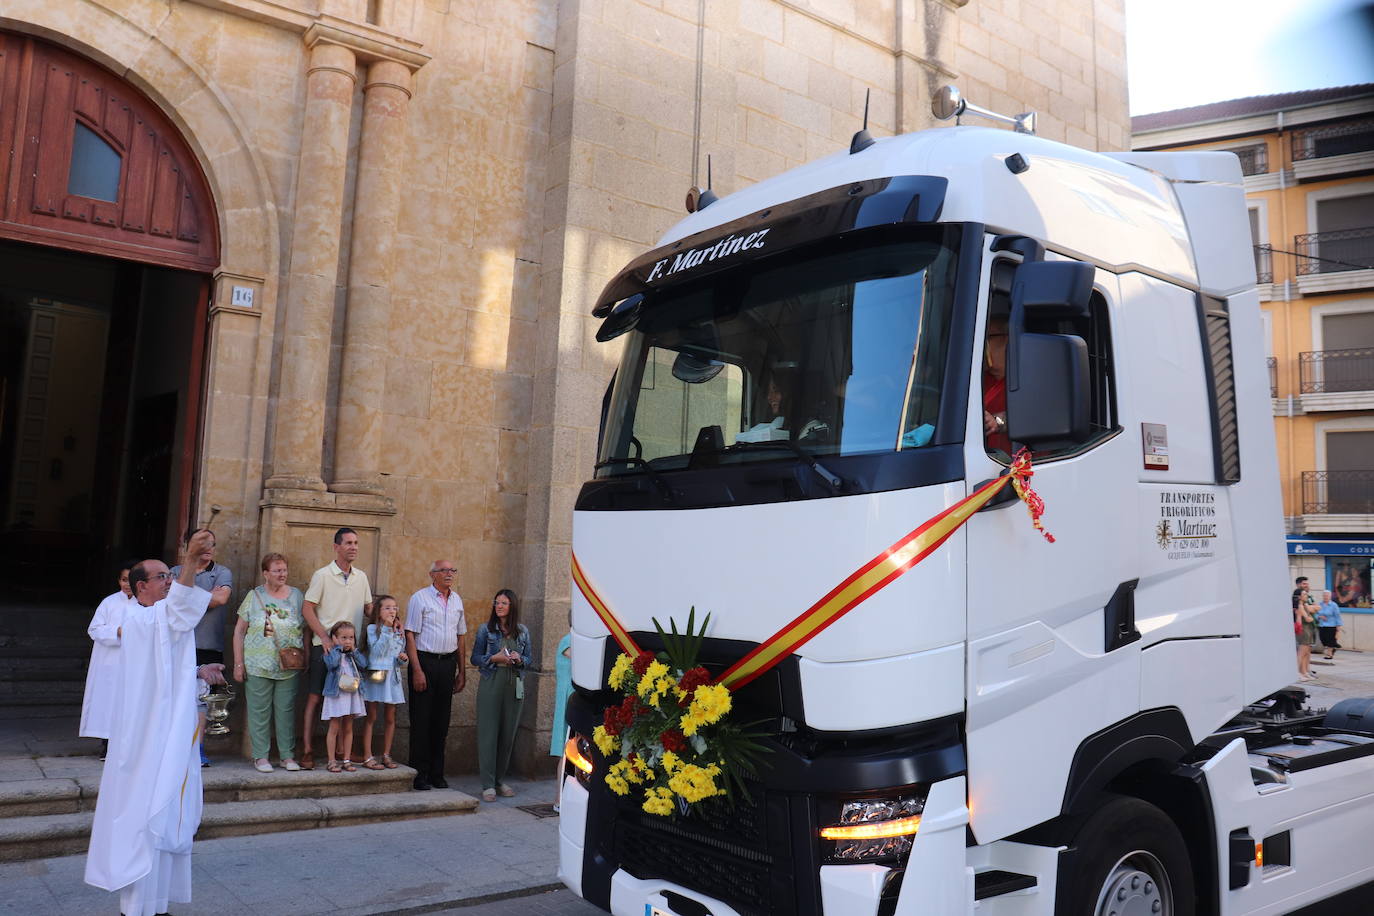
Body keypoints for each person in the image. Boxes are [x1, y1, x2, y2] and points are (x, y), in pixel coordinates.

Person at [84, 530, 223, 916]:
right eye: (163, 576)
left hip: (166, 730)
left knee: (166, 816)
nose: (170, 580)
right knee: (145, 817)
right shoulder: (136, 617)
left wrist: (197, 669)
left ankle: (157, 905)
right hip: (145, 739)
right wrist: (192, 562)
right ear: (141, 586)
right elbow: (178, 613)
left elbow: (166, 662)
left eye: (171, 574)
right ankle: (137, 909)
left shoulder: (159, 620)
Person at [300, 527, 373, 770]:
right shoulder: (322, 575)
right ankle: (308, 750)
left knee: (348, 700)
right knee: (314, 698)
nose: (353, 547)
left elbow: (369, 609)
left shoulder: (361, 577)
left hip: (351, 652)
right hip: (326, 649)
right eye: (348, 543)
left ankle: (344, 752)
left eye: (356, 543)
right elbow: (307, 608)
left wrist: (391, 620)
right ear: (336, 547)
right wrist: (324, 637)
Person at [231, 552, 305, 773]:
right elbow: (239, 631)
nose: (282, 574)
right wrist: (238, 663)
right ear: (265, 573)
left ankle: (287, 756)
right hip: (257, 663)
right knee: (259, 712)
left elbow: (306, 629)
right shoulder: (254, 596)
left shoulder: (297, 596)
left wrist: (306, 656)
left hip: (288, 665)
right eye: (277, 570)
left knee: (286, 711)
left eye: (284, 569)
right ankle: (261, 757)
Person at [405, 559, 468, 790]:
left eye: (453, 569)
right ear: (433, 574)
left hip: (447, 663)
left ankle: (436, 773)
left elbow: (461, 636)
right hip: (425, 662)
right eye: (444, 570)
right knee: (421, 720)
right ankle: (419, 774)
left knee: (441, 722)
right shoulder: (419, 598)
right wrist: (417, 670)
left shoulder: (457, 600)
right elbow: (410, 634)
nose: (449, 574)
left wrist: (462, 671)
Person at [471, 588, 531, 802]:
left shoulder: (522, 631)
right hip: (491, 682)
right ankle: (487, 784)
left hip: (514, 684)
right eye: (497, 602)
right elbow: (475, 658)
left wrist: (519, 659)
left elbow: (530, 660)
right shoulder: (485, 630)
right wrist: (493, 658)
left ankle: (499, 780)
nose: (499, 606)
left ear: (512, 606)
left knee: (507, 734)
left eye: (504, 603)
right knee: (488, 734)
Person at [79, 560, 136, 759]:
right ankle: (107, 744)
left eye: (131, 580)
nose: (127, 584)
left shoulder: (147, 603)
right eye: (123, 580)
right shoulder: (109, 602)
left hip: (134, 663)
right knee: (109, 701)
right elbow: (94, 629)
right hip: (109, 662)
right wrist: (117, 632)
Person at [360, 595, 408, 770]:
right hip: (377, 673)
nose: (392, 611)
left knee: (390, 716)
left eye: (394, 608)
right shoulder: (374, 629)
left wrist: (402, 659)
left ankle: (386, 754)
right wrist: (387, 629)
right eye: (387, 608)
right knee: (371, 715)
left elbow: (396, 653)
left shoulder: (398, 630)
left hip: (392, 677)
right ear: (378, 612)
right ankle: (367, 755)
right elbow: (378, 651)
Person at [321, 621, 368, 773]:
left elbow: (364, 664)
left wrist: (353, 650)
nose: (348, 641)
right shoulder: (331, 653)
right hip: (337, 694)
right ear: (334, 638)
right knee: (334, 726)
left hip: (351, 692)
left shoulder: (353, 655)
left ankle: (346, 759)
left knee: (348, 727)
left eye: (351, 638)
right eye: (343, 638)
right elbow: (332, 665)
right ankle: (331, 760)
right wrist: (337, 648)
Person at [983, 316, 1011, 454]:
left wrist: (997, 422)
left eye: (987, 337)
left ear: (1007, 339)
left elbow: (1036, 414)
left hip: (1013, 468)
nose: (981, 345)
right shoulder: (976, 379)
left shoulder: (1029, 379)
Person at [1293, 576, 1318, 681]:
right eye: (1304, 594)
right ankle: (1297, 672)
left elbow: (1316, 608)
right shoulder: (1300, 605)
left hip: (1306, 628)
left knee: (1306, 651)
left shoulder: (1304, 604)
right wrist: (1310, 612)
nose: (1306, 596)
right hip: (1303, 629)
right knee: (1302, 652)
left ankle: (1304, 671)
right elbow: (1308, 618)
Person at [1316, 589, 1344, 661]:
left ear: (1330, 596)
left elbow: (1337, 616)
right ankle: (1333, 647)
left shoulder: (1334, 605)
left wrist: (1339, 626)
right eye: (1324, 595)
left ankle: (1329, 654)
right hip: (1322, 625)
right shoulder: (1320, 604)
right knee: (1323, 640)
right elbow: (1315, 614)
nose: (1326, 597)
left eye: (1327, 596)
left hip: (1331, 625)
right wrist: (1319, 616)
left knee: (1330, 640)